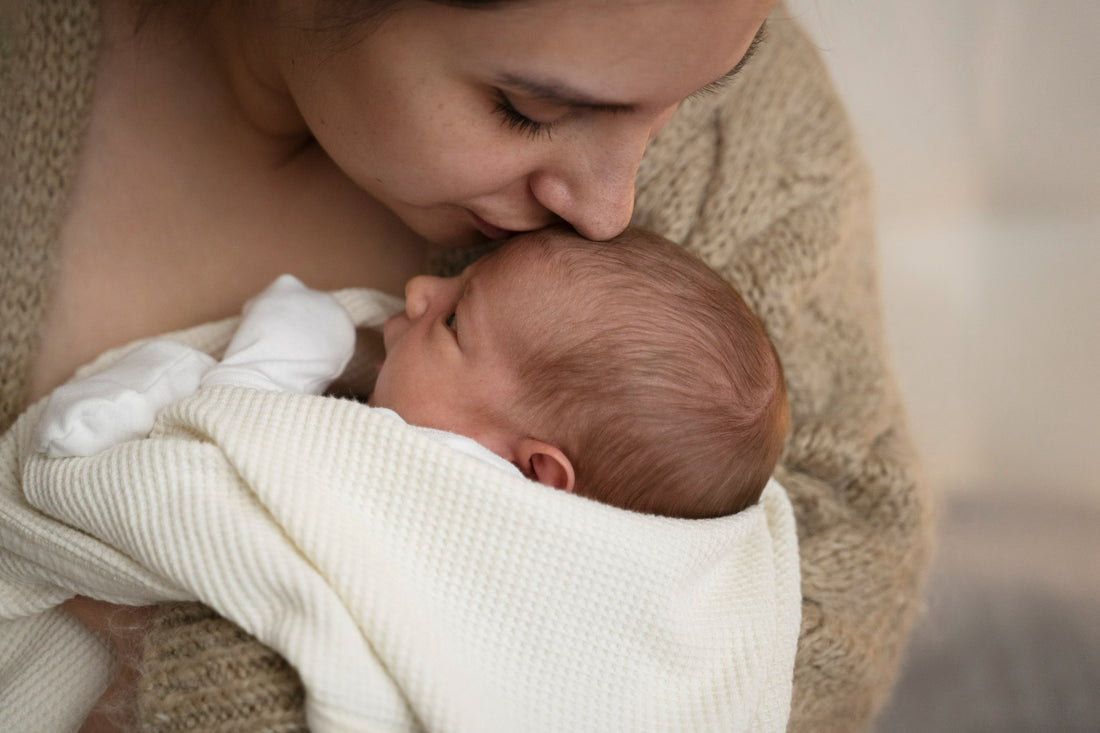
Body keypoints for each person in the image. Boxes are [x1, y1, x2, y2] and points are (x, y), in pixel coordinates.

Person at [1, 0, 932, 731]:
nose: (612, 210)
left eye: (693, 97)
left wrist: (233, 685)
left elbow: (842, 571)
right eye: (531, 109)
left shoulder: (742, 117)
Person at [38, 226, 789, 520]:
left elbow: (237, 473)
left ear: (536, 470)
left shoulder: (456, 495)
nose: (424, 289)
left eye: (455, 321)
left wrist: (291, 350)